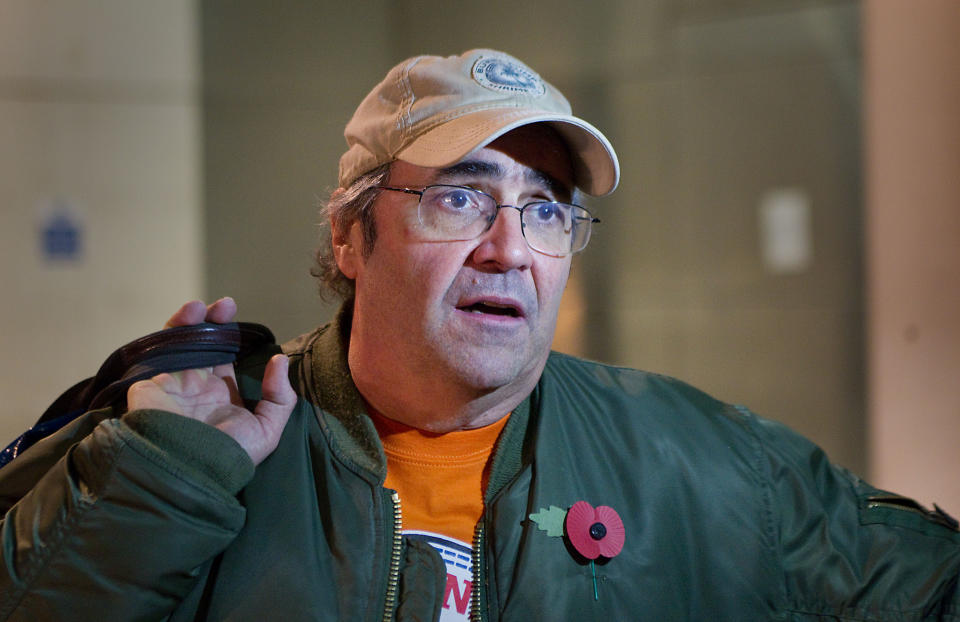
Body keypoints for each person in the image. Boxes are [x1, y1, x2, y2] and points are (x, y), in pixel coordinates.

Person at [0, 49, 957, 622]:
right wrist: (159, 484)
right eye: (462, 196)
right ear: (349, 234)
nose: (511, 249)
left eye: (546, 211)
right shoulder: (198, 458)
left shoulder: (706, 464)